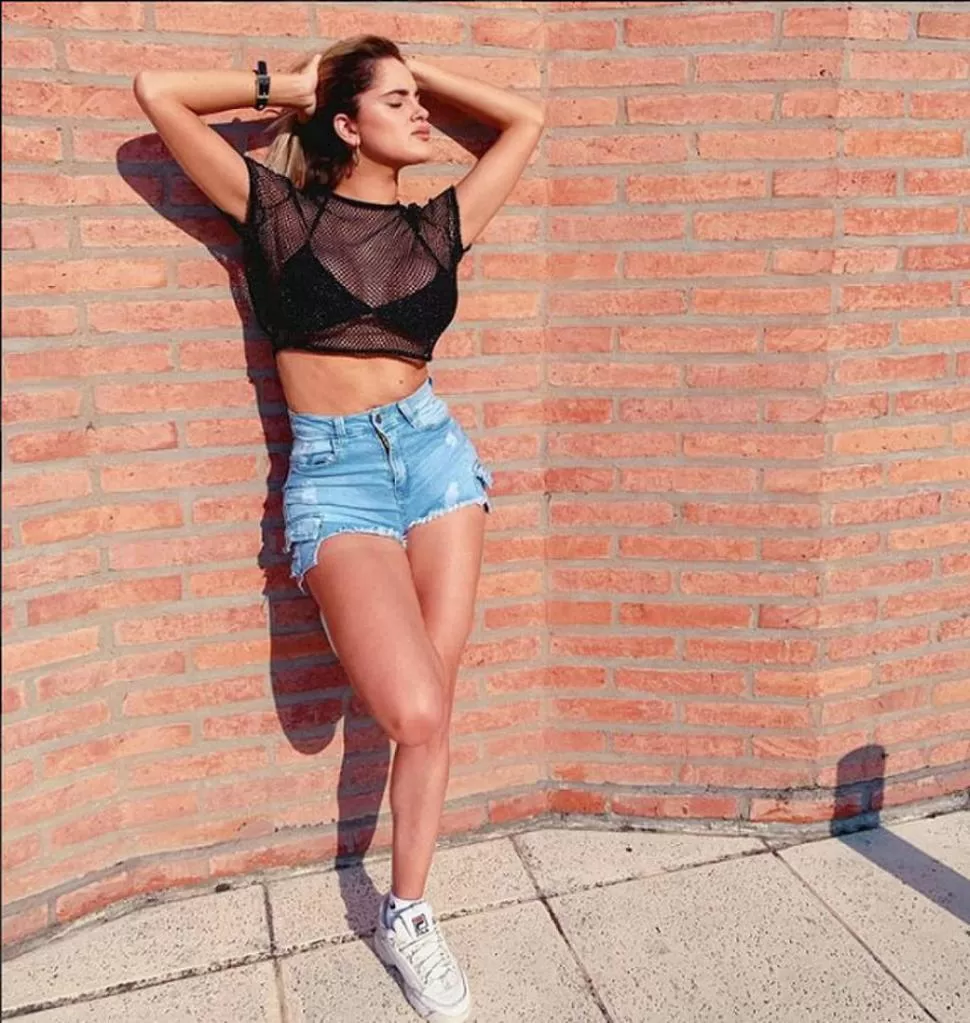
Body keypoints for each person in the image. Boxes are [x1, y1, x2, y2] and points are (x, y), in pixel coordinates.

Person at [133, 34, 544, 1023]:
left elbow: (527, 121)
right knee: (411, 709)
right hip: (337, 476)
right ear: (348, 126)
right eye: (396, 102)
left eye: (419, 100)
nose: (421, 114)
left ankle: (408, 912)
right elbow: (158, 92)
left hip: (436, 459)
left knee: (436, 705)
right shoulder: (278, 213)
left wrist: (415, 72)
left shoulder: (440, 224)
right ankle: (406, 907)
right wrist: (295, 87)